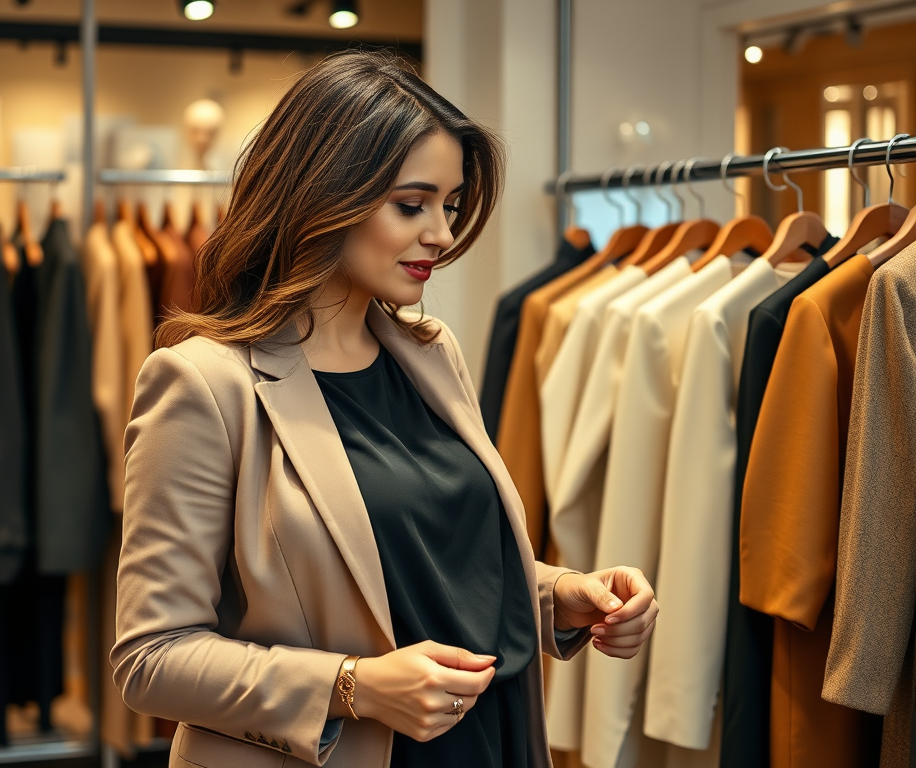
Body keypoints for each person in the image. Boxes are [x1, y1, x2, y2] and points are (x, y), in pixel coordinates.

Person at [112, 50, 658, 768]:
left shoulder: (431, 353)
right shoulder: (204, 385)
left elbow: (433, 565)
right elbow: (151, 657)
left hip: (490, 742)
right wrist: (351, 686)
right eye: (412, 204)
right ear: (322, 194)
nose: (442, 233)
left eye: (451, 205)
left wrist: (562, 594)